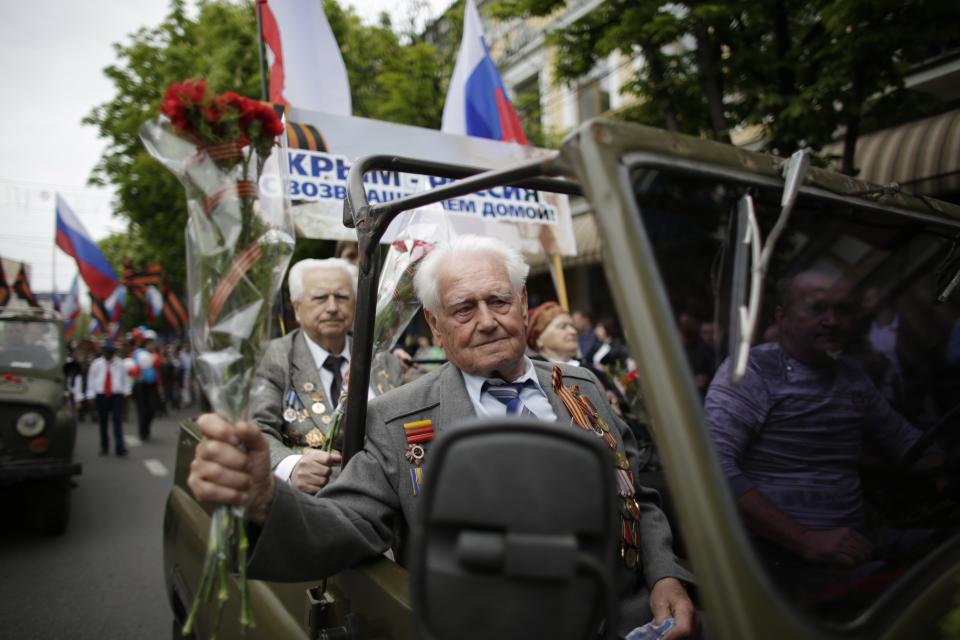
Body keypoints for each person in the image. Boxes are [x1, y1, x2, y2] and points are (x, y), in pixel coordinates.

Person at [189, 235, 696, 638]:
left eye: (499, 300)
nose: (487, 321)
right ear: (434, 324)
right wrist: (265, 499)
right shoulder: (396, 417)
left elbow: (638, 498)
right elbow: (345, 522)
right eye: (463, 309)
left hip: (627, 618)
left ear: (522, 303)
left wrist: (666, 575)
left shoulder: (581, 387)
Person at [705, 270, 931, 591]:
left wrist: (942, 461)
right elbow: (713, 467)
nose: (832, 320)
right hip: (779, 554)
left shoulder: (852, 377)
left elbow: (906, 442)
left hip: (857, 539)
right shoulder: (752, 372)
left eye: (843, 310)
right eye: (817, 308)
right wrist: (806, 539)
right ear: (782, 317)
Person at [250, 258, 406, 495]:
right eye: (320, 298)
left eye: (342, 297)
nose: (332, 307)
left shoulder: (381, 359)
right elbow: (257, 429)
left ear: (355, 305)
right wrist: (291, 467)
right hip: (313, 504)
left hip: (388, 497)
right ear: (297, 308)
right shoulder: (275, 358)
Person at [86, 341, 131, 456]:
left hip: (116, 394)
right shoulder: (96, 364)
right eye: (106, 351)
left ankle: (119, 447)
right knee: (103, 422)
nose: (108, 354)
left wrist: (126, 393)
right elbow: (91, 380)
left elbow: (125, 379)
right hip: (101, 394)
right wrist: (90, 395)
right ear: (103, 351)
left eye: (111, 352)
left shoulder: (120, 363)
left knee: (117, 420)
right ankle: (104, 446)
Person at [132, 331, 160, 440]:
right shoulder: (138, 353)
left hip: (152, 385)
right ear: (145, 344)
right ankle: (143, 432)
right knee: (142, 410)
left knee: (152, 410)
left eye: (152, 343)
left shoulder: (155, 355)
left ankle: (146, 428)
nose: (151, 345)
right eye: (149, 343)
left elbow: (158, 371)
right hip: (140, 385)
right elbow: (133, 368)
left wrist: (159, 385)